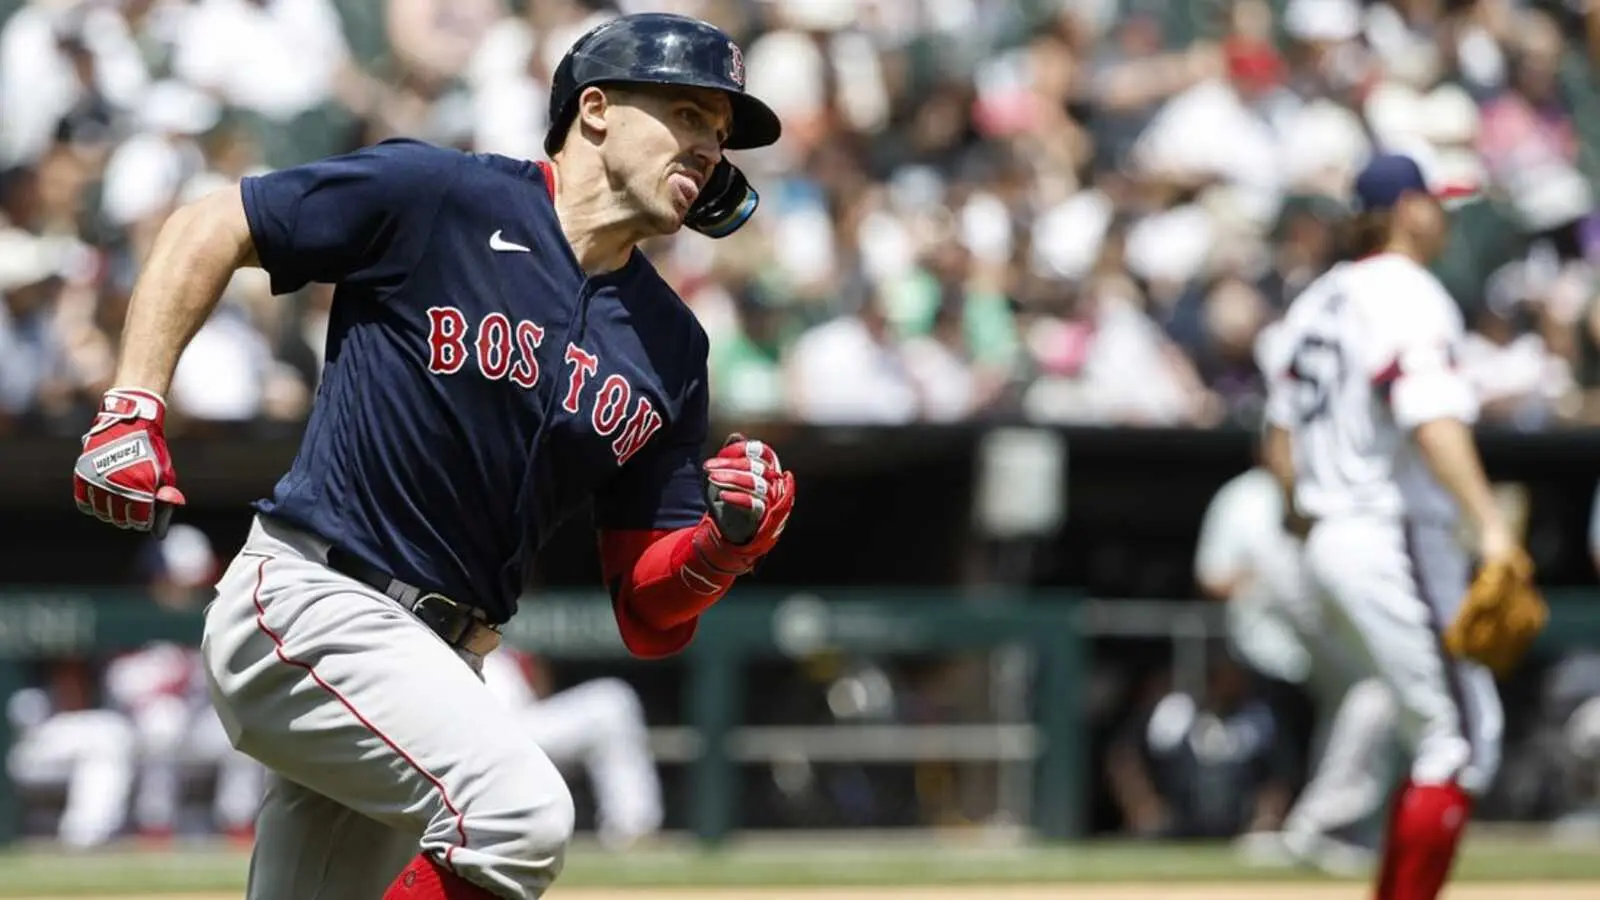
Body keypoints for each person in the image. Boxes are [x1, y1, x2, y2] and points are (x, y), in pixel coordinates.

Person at [68, 12, 795, 900]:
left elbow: (649, 611)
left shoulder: (671, 345)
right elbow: (213, 222)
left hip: (442, 661)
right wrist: (132, 405)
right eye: (687, 115)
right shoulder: (443, 195)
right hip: (315, 598)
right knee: (517, 815)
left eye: (720, 136)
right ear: (595, 110)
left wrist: (723, 548)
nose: (708, 149)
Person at [1263, 151, 1514, 900]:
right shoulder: (1406, 291)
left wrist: (1312, 520)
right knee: (1461, 740)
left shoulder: (1317, 300)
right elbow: (1431, 418)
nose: (1444, 219)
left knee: (1437, 736)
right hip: (1390, 533)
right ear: (1407, 208)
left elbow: (1279, 443)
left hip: (1334, 538)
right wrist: (1494, 528)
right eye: (1437, 204)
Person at [1196, 411, 1398, 876]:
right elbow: (1213, 577)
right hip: (1261, 642)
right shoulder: (1243, 497)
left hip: (1326, 639)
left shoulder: (1335, 488)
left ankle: (1327, 825)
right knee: (1348, 702)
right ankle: (1300, 825)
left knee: (1376, 694)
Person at [480, 648, 662, 852]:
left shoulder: (505, 645)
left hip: (522, 736)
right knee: (610, 705)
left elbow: (538, 683)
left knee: (611, 704)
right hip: (481, 745)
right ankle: (633, 827)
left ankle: (633, 829)